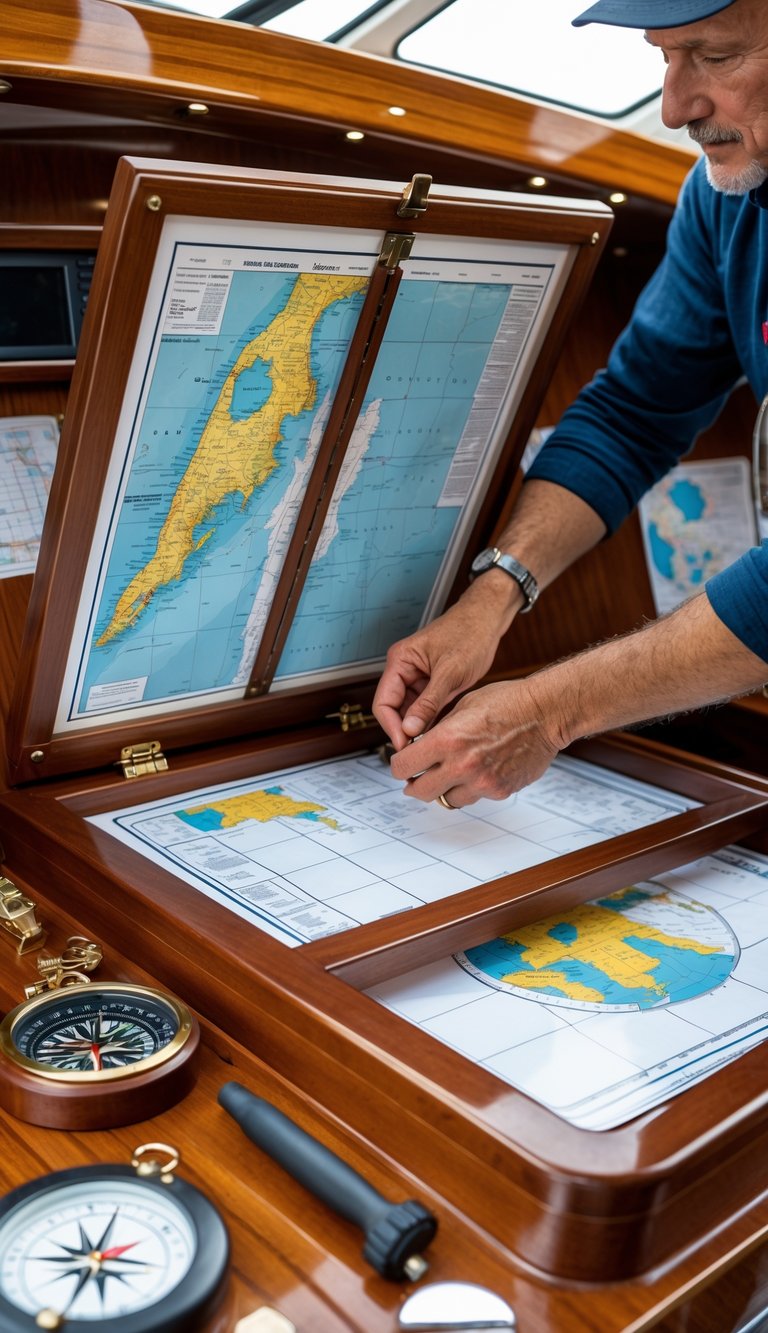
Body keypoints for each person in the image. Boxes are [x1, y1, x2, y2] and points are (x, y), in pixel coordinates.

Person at [372, 0, 768, 810]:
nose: (674, 106)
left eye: (714, 56)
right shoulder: (725, 199)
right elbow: (631, 413)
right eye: (664, 56)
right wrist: (494, 595)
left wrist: (548, 712)